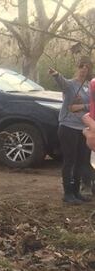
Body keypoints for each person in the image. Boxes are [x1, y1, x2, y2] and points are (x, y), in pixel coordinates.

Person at [49, 56, 93, 204]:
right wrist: (56, 75)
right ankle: (68, 193)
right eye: (81, 66)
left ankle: (76, 192)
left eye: (87, 67)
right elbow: (62, 83)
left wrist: (82, 106)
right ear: (77, 67)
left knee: (81, 161)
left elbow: (92, 105)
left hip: (83, 128)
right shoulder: (70, 85)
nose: (84, 69)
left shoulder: (89, 87)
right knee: (70, 160)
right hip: (68, 127)